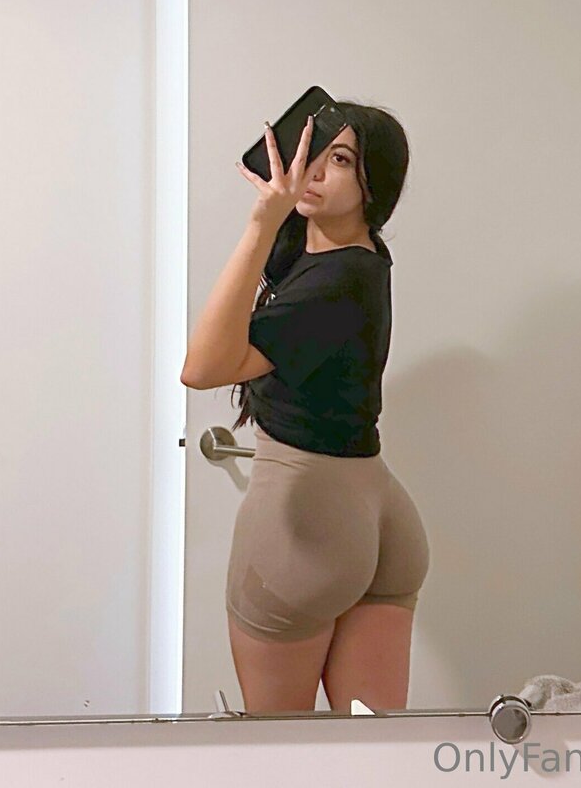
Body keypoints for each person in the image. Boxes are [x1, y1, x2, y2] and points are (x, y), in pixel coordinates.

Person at [181, 101, 429, 714]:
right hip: (377, 515)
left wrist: (260, 222)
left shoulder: (334, 281)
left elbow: (201, 369)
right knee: (373, 752)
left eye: (340, 160)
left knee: (280, 750)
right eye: (313, 152)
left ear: (375, 185)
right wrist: (278, 220)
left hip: (306, 530)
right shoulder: (355, 258)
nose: (315, 171)